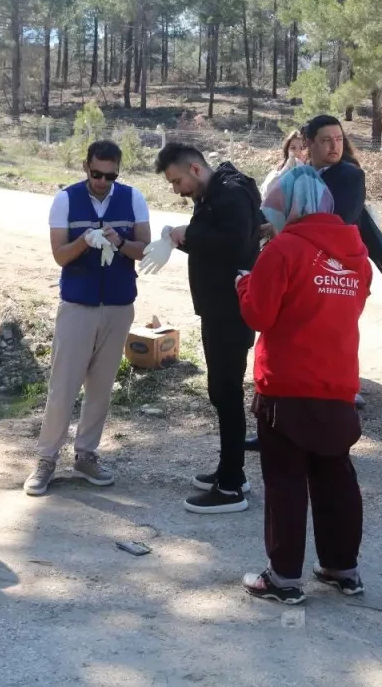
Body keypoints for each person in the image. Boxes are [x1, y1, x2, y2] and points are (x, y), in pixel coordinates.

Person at [238, 165, 371, 603]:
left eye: (274, 205)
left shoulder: (282, 250)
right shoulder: (356, 252)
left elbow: (259, 315)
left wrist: (245, 286)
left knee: (285, 482)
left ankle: (283, 578)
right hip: (337, 383)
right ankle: (341, 567)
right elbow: (352, 305)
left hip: (288, 383)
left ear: (288, 206)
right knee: (335, 476)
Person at [24, 140, 150, 496]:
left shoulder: (133, 198)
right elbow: (60, 256)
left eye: (110, 176)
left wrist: (120, 243)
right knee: (63, 385)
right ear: (86, 166)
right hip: (78, 306)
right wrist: (86, 240)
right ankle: (47, 459)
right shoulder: (65, 199)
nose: (102, 182)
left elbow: (144, 249)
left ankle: (86, 455)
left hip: (118, 305)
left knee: (100, 387)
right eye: (96, 174)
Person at [155, 143, 262, 514]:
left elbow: (234, 245)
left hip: (230, 311)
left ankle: (231, 488)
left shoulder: (230, 194)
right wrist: (179, 239)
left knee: (227, 392)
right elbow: (213, 243)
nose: (176, 189)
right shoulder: (216, 193)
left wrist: (188, 234)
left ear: (196, 170)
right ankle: (230, 470)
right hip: (217, 308)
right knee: (221, 392)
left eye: (177, 180)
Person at [259, 130, 306, 197]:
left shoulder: (311, 174)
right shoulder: (278, 172)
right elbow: (267, 193)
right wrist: (286, 170)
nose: (297, 153)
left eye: (302, 148)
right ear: (287, 150)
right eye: (293, 148)